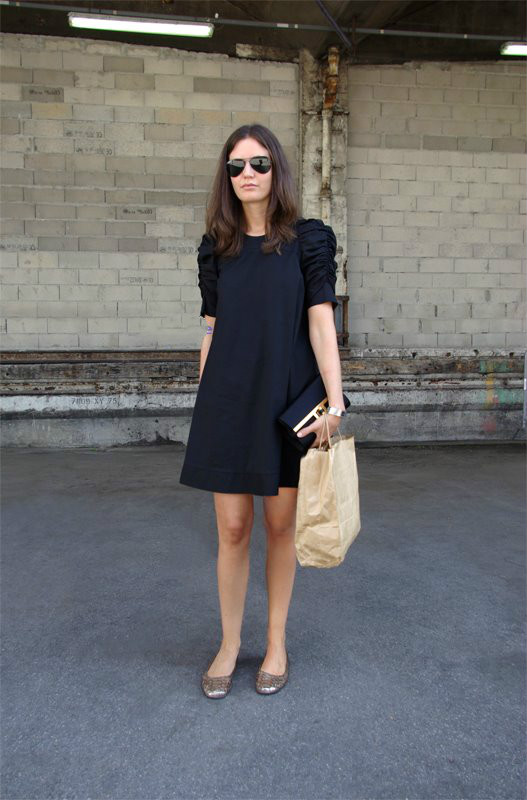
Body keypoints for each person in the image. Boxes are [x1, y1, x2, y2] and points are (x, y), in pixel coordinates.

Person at [179, 123, 347, 698]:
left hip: (286, 402)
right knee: (232, 529)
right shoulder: (217, 248)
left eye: (258, 163)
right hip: (227, 403)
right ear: (226, 177)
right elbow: (212, 329)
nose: (246, 174)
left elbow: (321, 324)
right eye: (236, 166)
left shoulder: (308, 240)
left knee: (280, 527)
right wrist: (206, 398)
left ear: (277, 169)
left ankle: (275, 642)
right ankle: (229, 644)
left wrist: (336, 402)